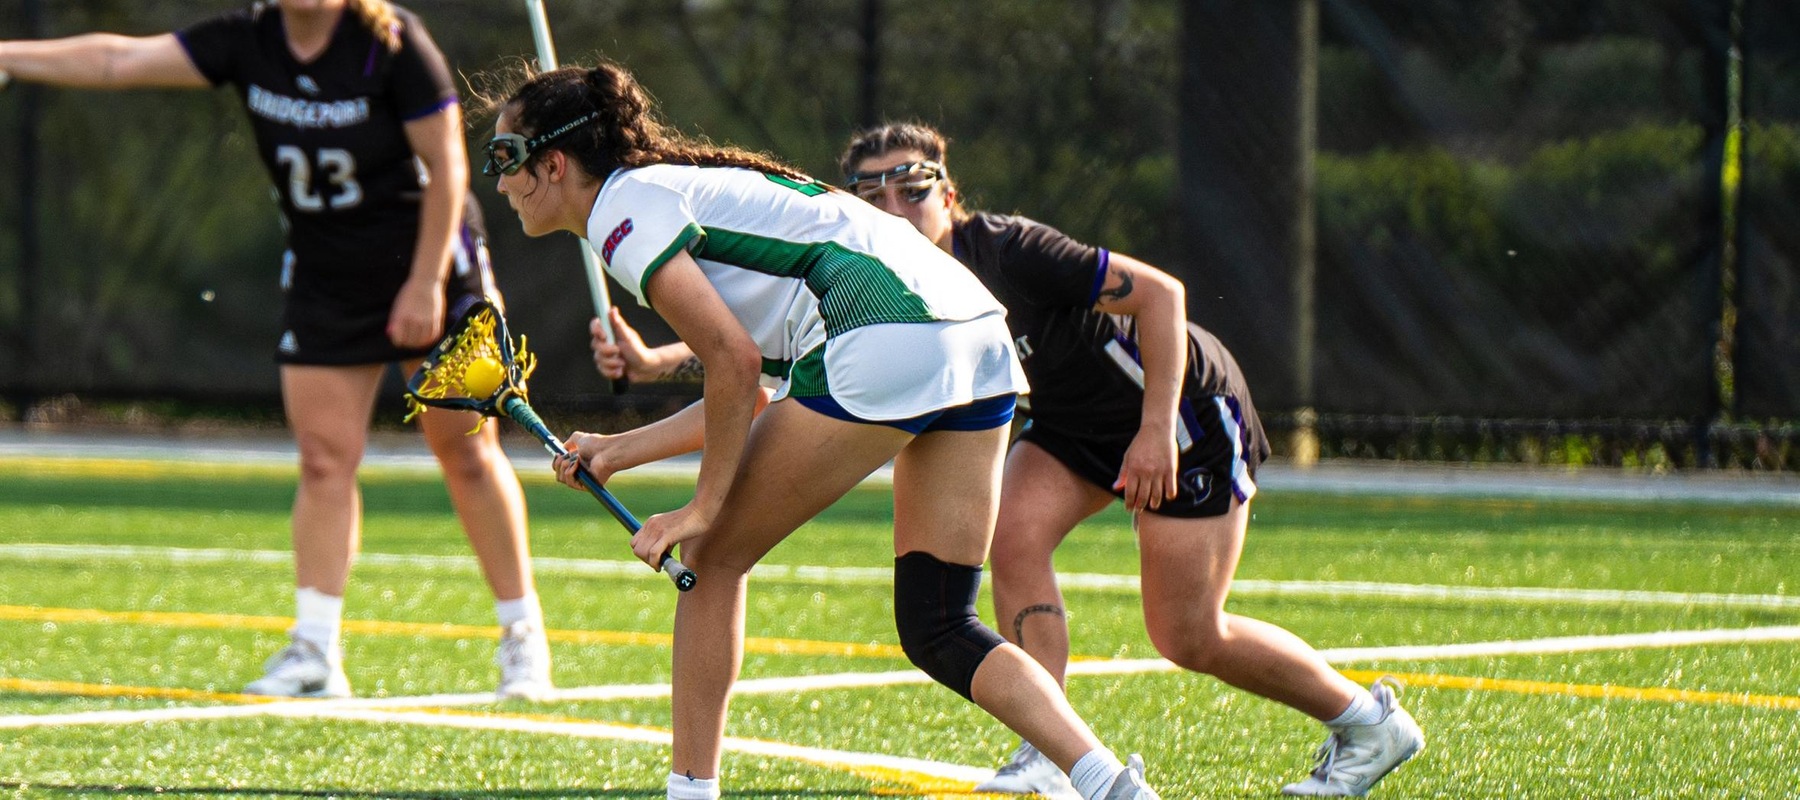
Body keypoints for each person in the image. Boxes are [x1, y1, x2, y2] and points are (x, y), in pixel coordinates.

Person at [596, 121, 1426, 798]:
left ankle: (1365, 720)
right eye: (873, 192)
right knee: (1011, 548)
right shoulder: (875, 277)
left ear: (949, 195)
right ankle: (1058, 755)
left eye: (913, 187)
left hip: (1173, 410)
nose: (895, 203)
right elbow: (778, 373)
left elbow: (1163, 298)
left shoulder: (1007, 251)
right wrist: (651, 380)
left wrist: (1153, 427)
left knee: (1186, 632)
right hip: (1065, 425)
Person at [476, 60, 1162, 800]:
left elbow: (733, 368)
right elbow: (767, 387)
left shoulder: (620, 210)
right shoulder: (670, 193)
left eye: (505, 157)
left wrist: (704, 507)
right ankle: (1110, 784)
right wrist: (618, 451)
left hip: (886, 336)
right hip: (973, 335)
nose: (500, 180)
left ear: (553, 163)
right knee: (938, 623)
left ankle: (689, 793)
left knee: (709, 561)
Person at [0, 0, 554, 701]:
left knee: (468, 450)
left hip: (430, 262)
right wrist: (8, 56)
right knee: (325, 458)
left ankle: (521, 636)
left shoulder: (389, 42)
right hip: (328, 274)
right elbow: (119, 59)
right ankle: (315, 651)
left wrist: (424, 285)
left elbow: (446, 166)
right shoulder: (248, 40)